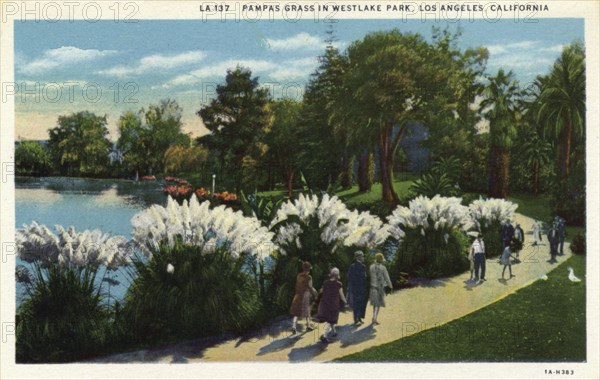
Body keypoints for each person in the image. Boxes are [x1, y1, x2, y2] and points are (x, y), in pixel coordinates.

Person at [316, 267, 347, 342]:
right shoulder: (339, 284)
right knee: (331, 320)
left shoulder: (325, 282)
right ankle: (324, 335)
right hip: (334, 305)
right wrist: (345, 302)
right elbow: (341, 295)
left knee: (331, 319)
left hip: (325, 304)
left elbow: (321, 291)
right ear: (337, 275)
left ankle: (334, 332)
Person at [289, 261, 317, 335]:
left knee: (296, 312)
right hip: (305, 296)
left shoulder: (299, 275)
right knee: (307, 311)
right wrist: (315, 292)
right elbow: (310, 287)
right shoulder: (309, 277)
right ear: (308, 269)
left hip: (298, 295)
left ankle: (293, 327)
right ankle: (308, 326)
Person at [369, 253, 393, 325]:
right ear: (381, 260)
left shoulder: (371, 267)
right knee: (378, 304)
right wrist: (390, 286)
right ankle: (374, 319)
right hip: (380, 287)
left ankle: (374, 317)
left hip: (373, 287)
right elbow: (387, 278)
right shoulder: (383, 268)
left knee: (375, 304)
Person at [347, 250, 368, 326]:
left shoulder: (353, 266)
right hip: (360, 288)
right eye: (362, 256)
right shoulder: (361, 266)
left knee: (358, 304)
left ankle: (358, 318)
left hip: (356, 288)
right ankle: (357, 318)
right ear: (358, 257)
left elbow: (349, 277)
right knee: (359, 303)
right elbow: (364, 277)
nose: (363, 257)